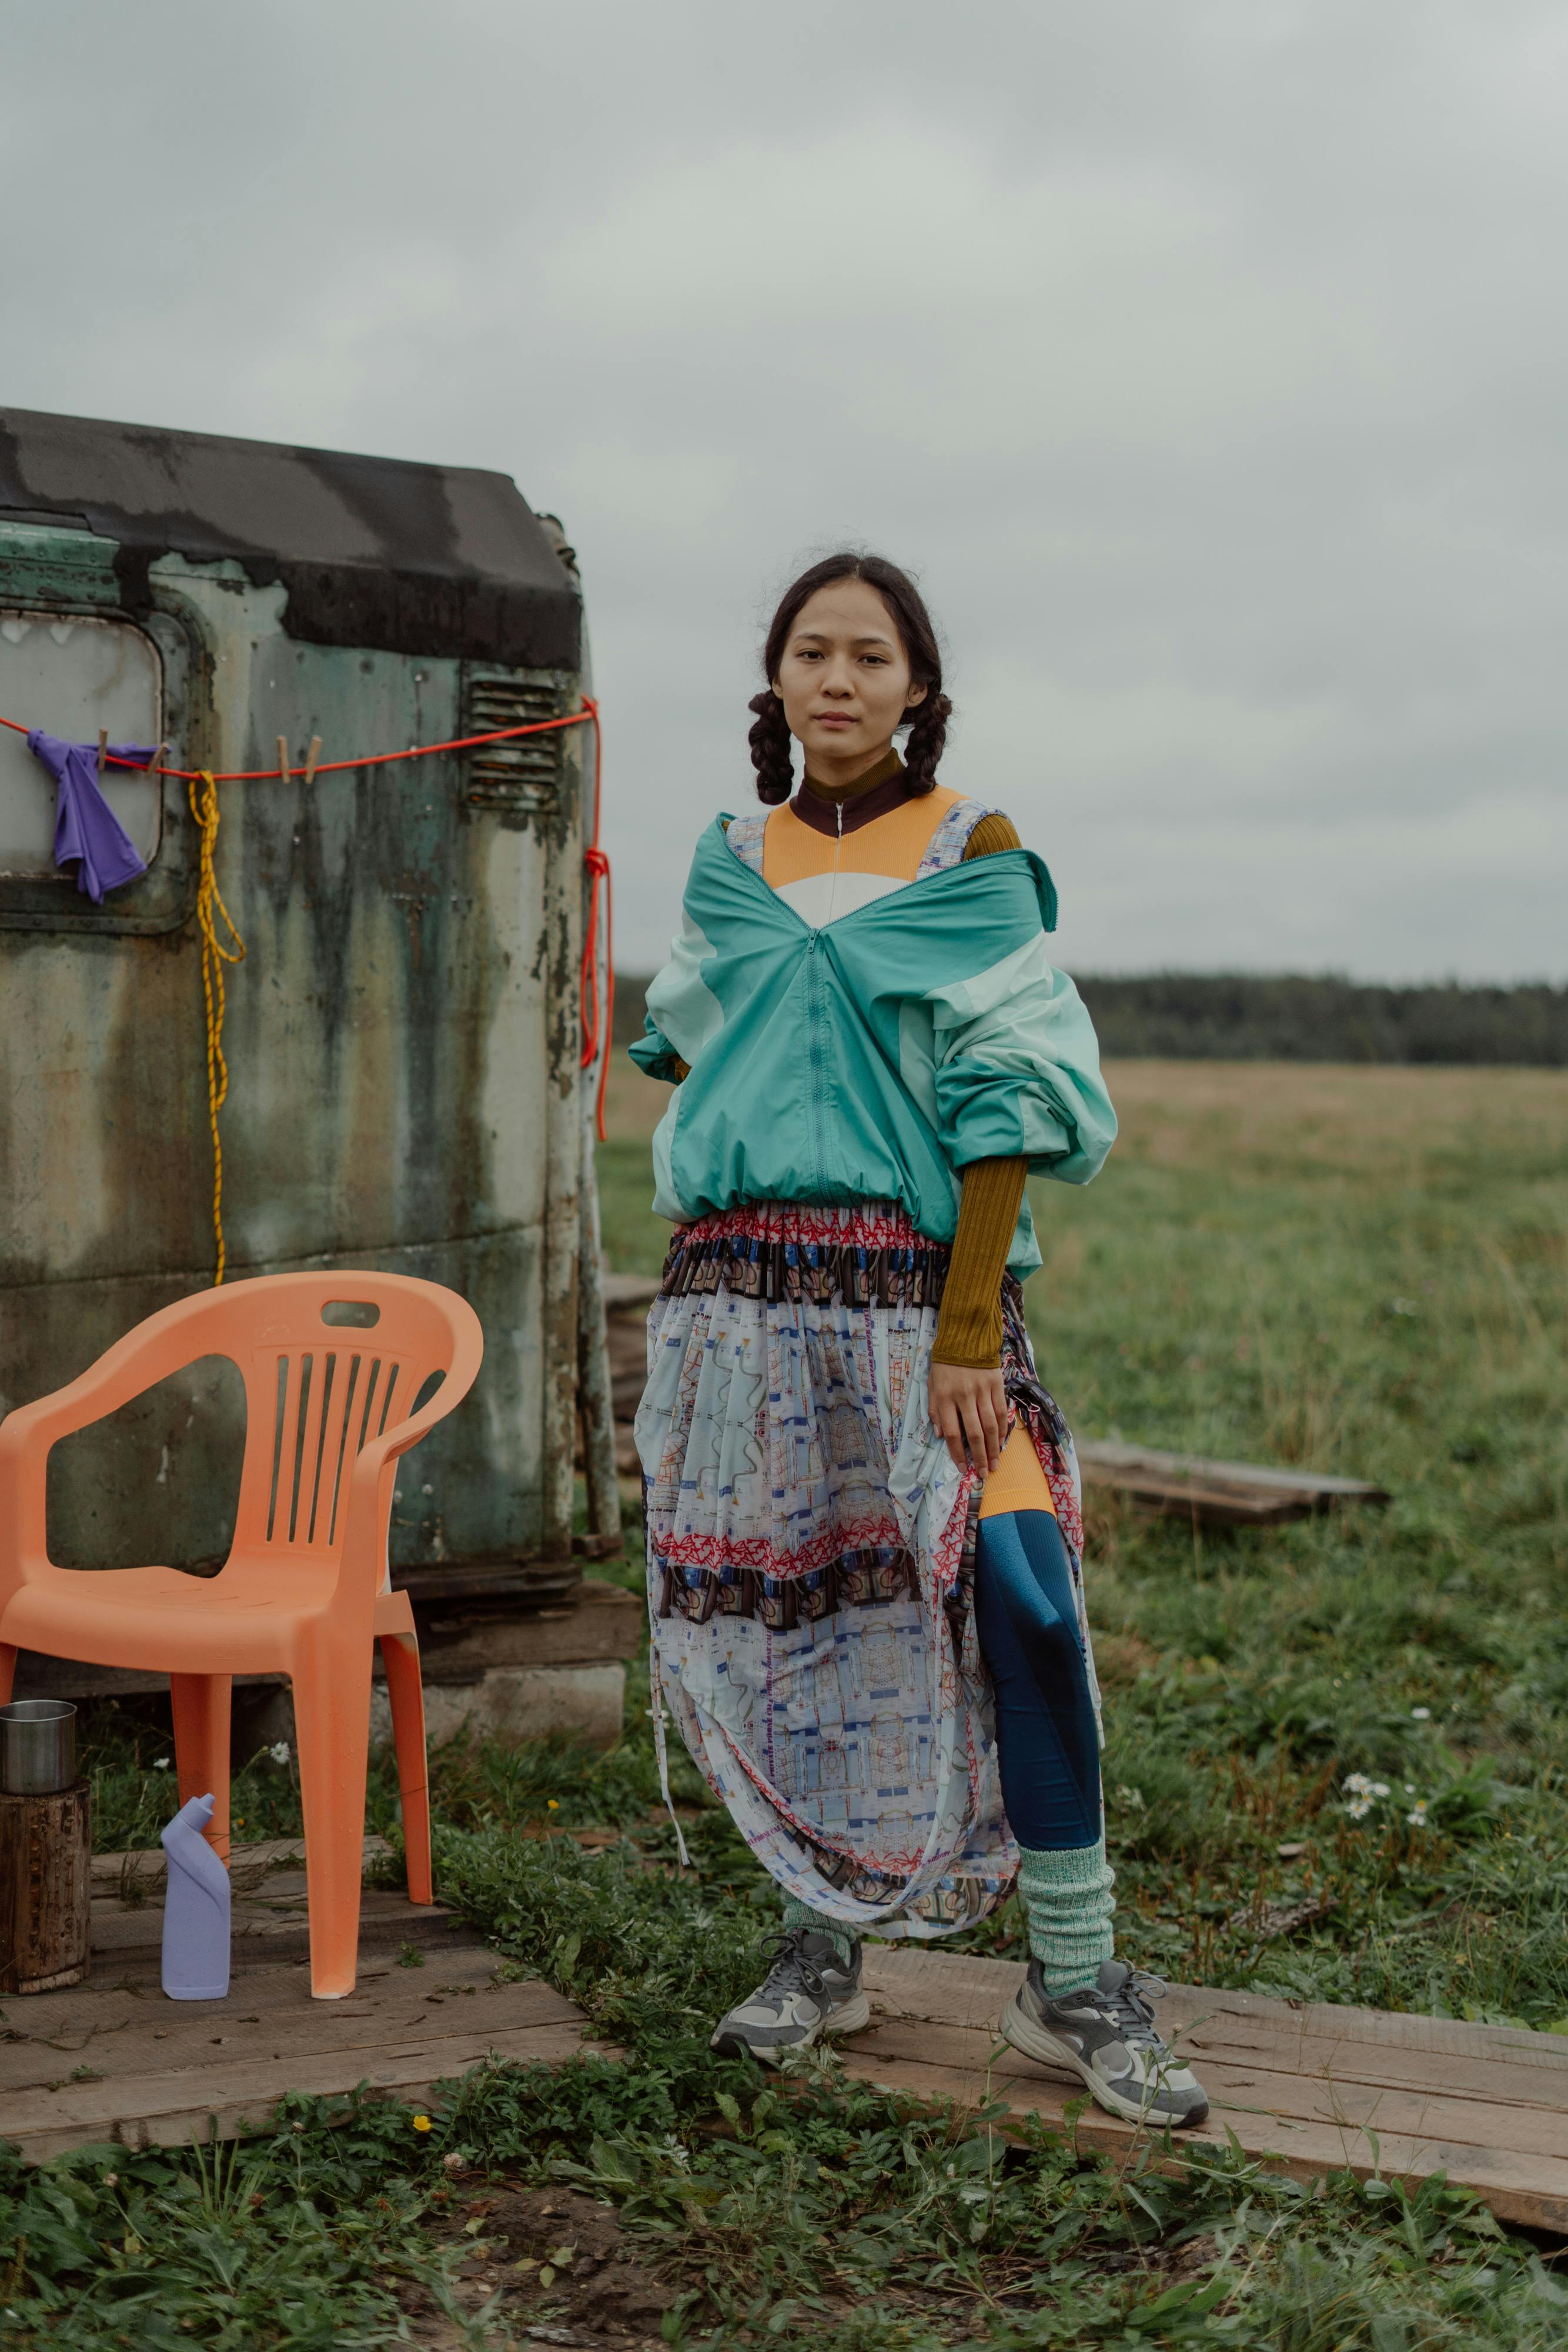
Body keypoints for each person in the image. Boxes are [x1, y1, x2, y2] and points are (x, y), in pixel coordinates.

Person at [630, 553, 1207, 2127]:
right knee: (798, 1620)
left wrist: (967, 1331)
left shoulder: (969, 852)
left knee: (1017, 1597)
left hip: (920, 1304)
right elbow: (687, 1020)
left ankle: (1070, 1982)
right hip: (739, 1300)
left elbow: (1012, 1088)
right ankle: (825, 1947)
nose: (835, 678)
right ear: (775, 684)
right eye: (808, 652)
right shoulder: (728, 856)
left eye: (866, 656)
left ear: (914, 689)